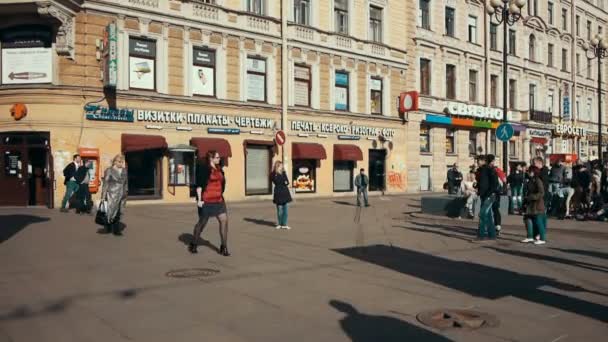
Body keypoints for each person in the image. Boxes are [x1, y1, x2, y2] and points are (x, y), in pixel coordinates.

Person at [189, 150, 230, 256]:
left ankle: (224, 247)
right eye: (217, 157)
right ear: (211, 158)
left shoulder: (220, 169)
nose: (219, 159)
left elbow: (222, 183)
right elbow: (199, 186)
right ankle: (194, 243)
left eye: (219, 157)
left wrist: (221, 193)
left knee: (224, 221)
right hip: (206, 200)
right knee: (202, 223)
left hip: (218, 200)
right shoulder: (204, 169)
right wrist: (199, 200)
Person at [99, 154, 128, 236]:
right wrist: (103, 196)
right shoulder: (109, 170)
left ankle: (116, 229)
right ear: (115, 162)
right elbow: (106, 184)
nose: (121, 164)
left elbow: (126, 183)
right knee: (110, 211)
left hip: (122, 195)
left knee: (119, 212)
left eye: (122, 162)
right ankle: (108, 227)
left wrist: (126, 191)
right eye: (119, 162)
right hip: (112, 195)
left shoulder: (124, 170)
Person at [522, 166, 547, 245]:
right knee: (527, 218)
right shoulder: (530, 180)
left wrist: (532, 197)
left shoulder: (537, 180)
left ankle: (542, 238)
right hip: (530, 203)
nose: (528, 172)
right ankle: (530, 236)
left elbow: (541, 192)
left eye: (530, 171)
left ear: (534, 172)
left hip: (537, 204)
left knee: (538, 221)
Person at [475, 155, 498, 241]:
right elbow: (483, 183)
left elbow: (495, 183)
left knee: (482, 214)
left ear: (484, 161)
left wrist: (489, 193)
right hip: (484, 195)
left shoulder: (488, 169)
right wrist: (477, 186)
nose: (477, 163)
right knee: (487, 215)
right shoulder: (481, 170)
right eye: (477, 161)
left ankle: (481, 235)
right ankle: (492, 235)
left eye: (479, 161)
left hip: (489, 195)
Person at [271, 160, 292, 230]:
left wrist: (283, 181)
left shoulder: (283, 173)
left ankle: (284, 224)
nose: (282, 167)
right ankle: (280, 224)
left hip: (285, 193)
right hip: (278, 193)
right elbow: (275, 181)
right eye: (280, 165)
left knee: (285, 210)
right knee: (279, 210)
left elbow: (287, 182)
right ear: (277, 166)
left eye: (282, 165)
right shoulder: (274, 174)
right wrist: (283, 181)